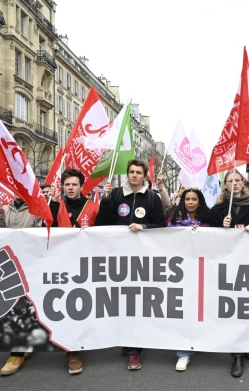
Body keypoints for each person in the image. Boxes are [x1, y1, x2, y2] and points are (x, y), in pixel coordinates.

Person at [96, 159, 166, 370]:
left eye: (138, 172)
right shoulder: (116, 194)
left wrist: (143, 226)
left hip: (142, 258)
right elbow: (102, 223)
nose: (134, 175)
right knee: (121, 299)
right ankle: (127, 338)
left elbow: (161, 225)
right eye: (131, 172)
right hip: (118, 256)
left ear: (145, 176)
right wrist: (106, 199)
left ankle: (136, 349)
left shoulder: (152, 198)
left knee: (138, 301)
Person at [209, 169, 249, 378]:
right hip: (228, 265)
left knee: (248, 306)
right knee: (233, 308)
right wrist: (221, 228)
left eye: (238, 180)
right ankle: (237, 355)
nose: (235, 183)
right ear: (225, 185)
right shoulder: (218, 210)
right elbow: (211, 239)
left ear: (243, 183)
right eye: (230, 180)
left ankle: (247, 343)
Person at [49, 169, 99, 375]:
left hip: (88, 265)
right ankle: (72, 351)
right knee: (69, 306)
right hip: (62, 264)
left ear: (81, 187)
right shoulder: (55, 206)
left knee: (85, 305)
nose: (70, 188)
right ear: (62, 186)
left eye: (74, 185)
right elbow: (44, 229)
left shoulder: (94, 207)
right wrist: (51, 204)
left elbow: (105, 233)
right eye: (67, 184)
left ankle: (86, 339)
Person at [0, 196, 43, 375]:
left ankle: (27, 343)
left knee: (32, 306)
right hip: (9, 264)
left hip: (31, 262)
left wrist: (23, 233)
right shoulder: (4, 209)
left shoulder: (37, 209)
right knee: (15, 306)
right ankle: (17, 352)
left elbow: (43, 234)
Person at [166, 187, 211, 371]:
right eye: (187, 199)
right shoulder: (174, 221)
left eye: (194, 199)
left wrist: (203, 233)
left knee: (201, 309)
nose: (190, 202)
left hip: (203, 271)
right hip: (181, 272)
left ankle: (199, 340)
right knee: (183, 311)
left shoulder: (208, 221)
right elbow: (166, 242)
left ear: (199, 201)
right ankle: (183, 353)